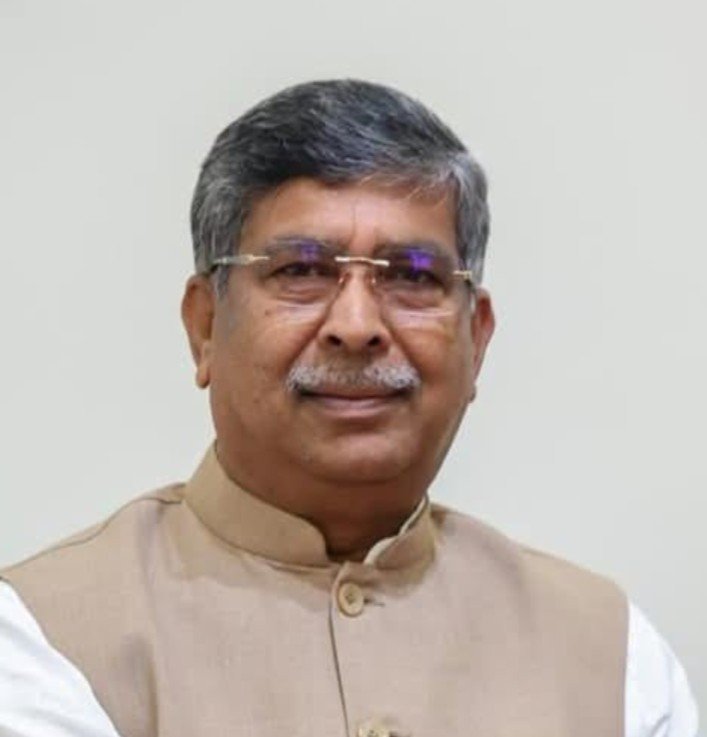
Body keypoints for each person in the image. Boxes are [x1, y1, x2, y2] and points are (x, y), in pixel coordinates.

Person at [0, 80, 698, 737]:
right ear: (205, 325)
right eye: (301, 271)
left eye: (413, 276)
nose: (357, 326)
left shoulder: (611, 655)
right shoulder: (42, 638)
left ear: (477, 339)